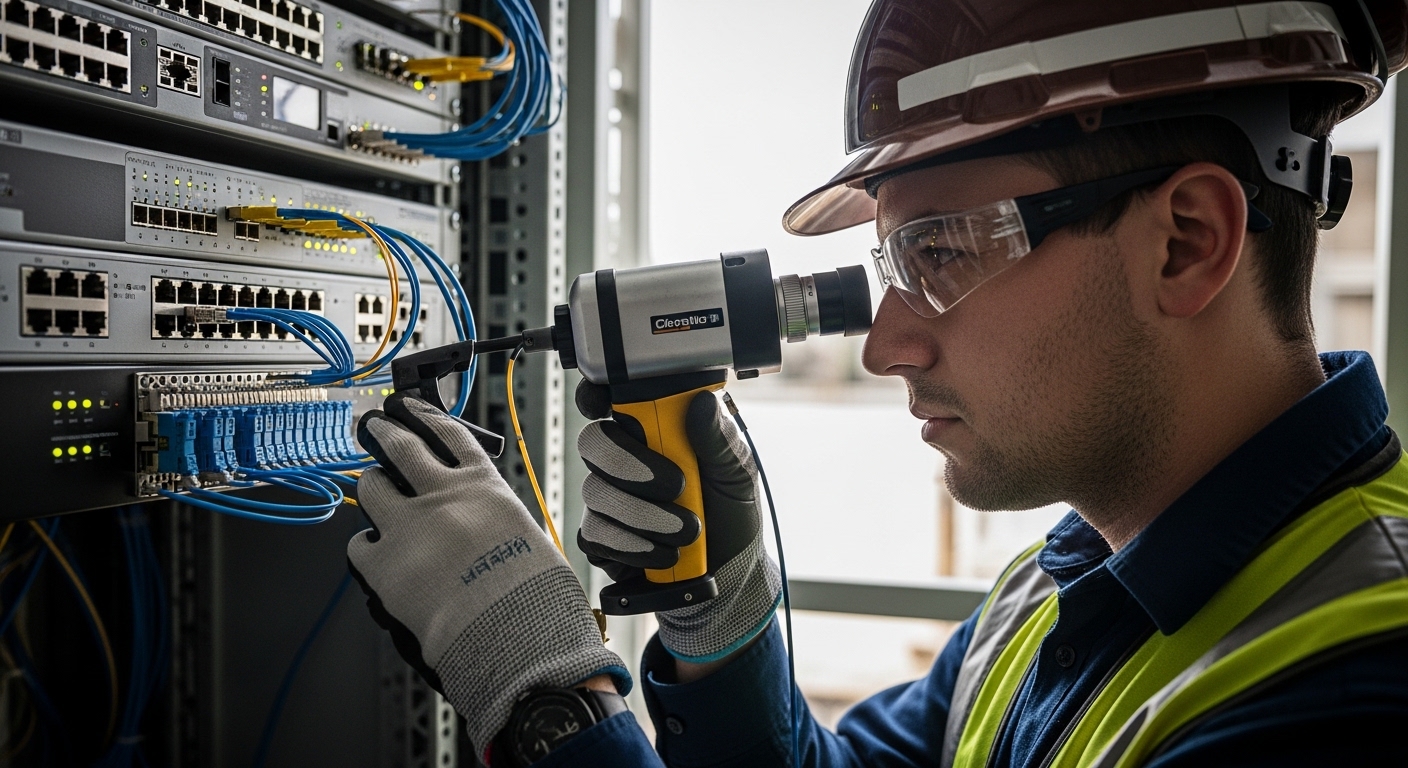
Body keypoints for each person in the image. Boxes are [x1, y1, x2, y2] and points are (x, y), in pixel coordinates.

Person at [344, 1, 1408, 766]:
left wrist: (545, 700)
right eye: (895, 266)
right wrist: (726, 623)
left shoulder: (1349, 680)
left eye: (940, 253)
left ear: (1185, 241)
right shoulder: (1059, 586)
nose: (884, 344)